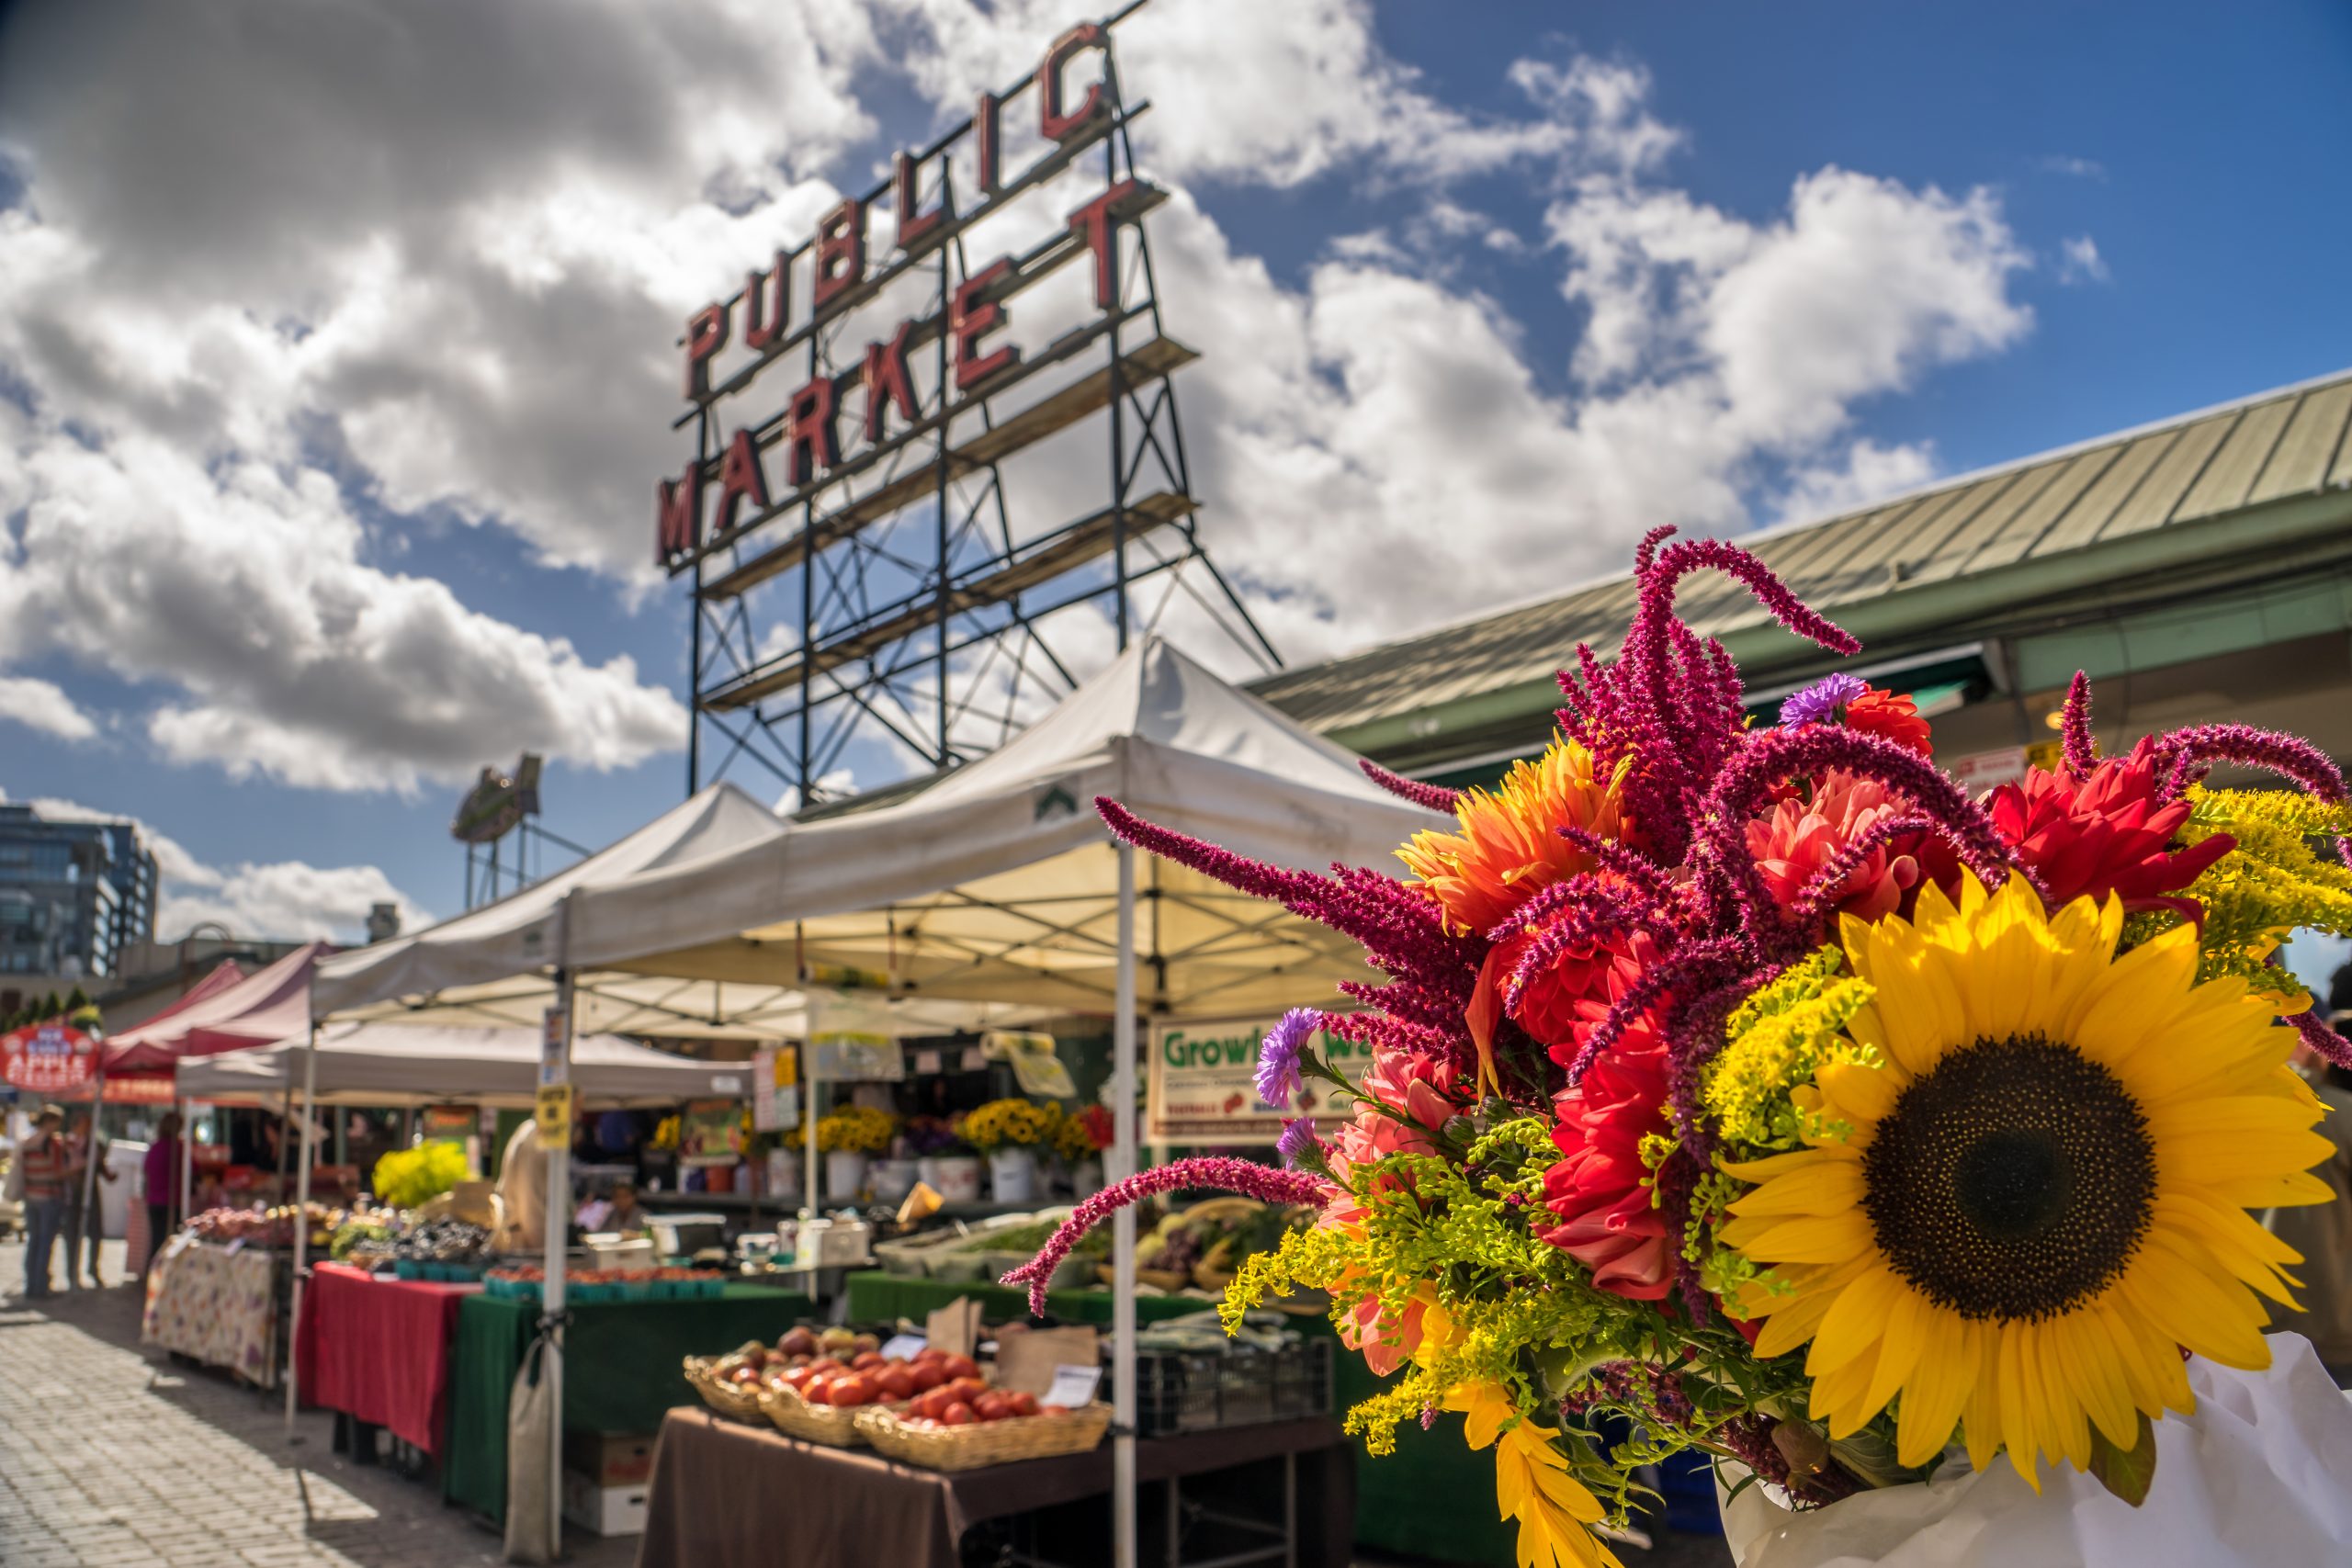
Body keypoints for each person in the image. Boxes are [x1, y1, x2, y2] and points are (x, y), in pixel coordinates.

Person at [15, 1107, 72, 1300]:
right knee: (45, 1242)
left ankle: (31, 1285)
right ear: (50, 1122)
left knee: (34, 1241)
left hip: (31, 1195)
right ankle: (40, 1287)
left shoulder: (27, 1141)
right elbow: (58, 1172)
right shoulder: (52, 1143)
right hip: (48, 1195)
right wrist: (78, 1166)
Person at [62, 1112, 117, 1289]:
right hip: (72, 1195)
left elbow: (105, 1173)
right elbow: (62, 1170)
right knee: (72, 1234)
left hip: (91, 1194)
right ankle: (72, 1273)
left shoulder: (95, 1145)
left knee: (95, 1233)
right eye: (85, 1124)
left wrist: (109, 1170)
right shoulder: (65, 1145)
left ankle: (93, 1268)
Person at [141, 1111, 185, 1283]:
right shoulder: (178, 1148)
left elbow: (146, 1172)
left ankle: (152, 1275)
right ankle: (163, 1277)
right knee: (169, 1241)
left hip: (154, 1201)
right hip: (171, 1201)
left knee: (157, 1240)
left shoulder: (155, 1147)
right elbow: (193, 1170)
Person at [492, 1117, 546, 1254]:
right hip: (529, 1237)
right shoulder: (536, 1137)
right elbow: (530, 1199)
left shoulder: (528, 1129)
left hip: (518, 1228)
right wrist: (540, 1247)